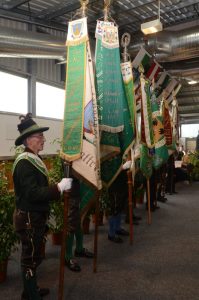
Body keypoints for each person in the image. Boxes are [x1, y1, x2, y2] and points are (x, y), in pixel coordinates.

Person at [12, 113, 73, 300]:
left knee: (36, 256)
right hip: (29, 217)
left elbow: (36, 189)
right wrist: (58, 188)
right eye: (40, 137)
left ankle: (30, 290)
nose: (43, 139)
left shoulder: (32, 159)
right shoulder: (24, 163)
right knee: (30, 259)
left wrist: (56, 187)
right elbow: (32, 193)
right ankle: (31, 295)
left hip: (34, 216)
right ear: (29, 140)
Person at [64, 177, 94, 272]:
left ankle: (79, 249)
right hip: (71, 191)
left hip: (78, 188)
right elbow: (67, 171)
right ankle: (67, 257)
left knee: (78, 222)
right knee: (71, 224)